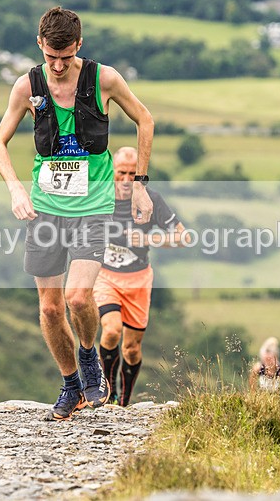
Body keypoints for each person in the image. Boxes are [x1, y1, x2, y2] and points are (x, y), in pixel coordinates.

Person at [0, 7, 155, 421]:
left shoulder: (105, 79)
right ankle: (71, 386)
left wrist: (140, 185)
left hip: (93, 207)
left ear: (79, 45)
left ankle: (87, 357)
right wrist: (14, 188)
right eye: (51, 58)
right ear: (40, 47)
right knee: (48, 309)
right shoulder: (26, 86)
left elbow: (145, 120)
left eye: (66, 56)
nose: (59, 66)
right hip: (45, 209)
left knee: (78, 298)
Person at [94, 147, 190, 407]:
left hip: (138, 280)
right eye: (121, 173)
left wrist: (149, 238)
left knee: (132, 349)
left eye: (132, 174)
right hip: (105, 277)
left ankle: (124, 401)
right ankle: (108, 393)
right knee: (111, 330)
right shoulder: (98, 195)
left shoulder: (152, 200)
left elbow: (184, 237)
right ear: (111, 172)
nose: (126, 180)